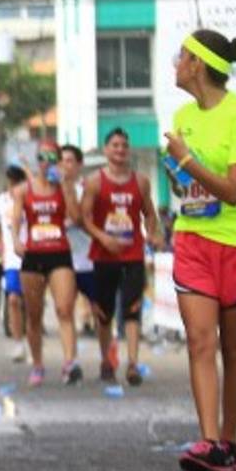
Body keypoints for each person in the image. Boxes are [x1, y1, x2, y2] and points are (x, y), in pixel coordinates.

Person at [164, 29, 236, 471]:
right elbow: (185, 185)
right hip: (193, 242)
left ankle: (229, 440)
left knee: (234, 347)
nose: (175, 63)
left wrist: (187, 160)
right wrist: (178, 173)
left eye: (181, 56)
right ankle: (209, 440)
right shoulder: (183, 114)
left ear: (199, 65)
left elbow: (233, 190)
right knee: (199, 340)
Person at [80, 128, 163, 386]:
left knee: (132, 309)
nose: (120, 150)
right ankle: (107, 360)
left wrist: (152, 231)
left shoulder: (141, 181)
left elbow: (149, 213)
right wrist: (103, 238)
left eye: (124, 145)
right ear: (106, 150)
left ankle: (133, 364)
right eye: (115, 145)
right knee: (104, 313)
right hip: (104, 256)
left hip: (132, 254)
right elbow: (84, 218)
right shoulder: (94, 182)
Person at [12, 141, 82, 387]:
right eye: (43, 157)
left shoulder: (64, 187)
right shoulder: (23, 189)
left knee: (64, 308)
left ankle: (70, 363)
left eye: (53, 157)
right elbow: (15, 219)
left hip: (59, 253)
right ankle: (38, 364)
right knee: (34, 315)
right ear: (37, 160)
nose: (47, 162)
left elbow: (75, 216)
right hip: (33, 255)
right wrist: (15, 241)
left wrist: (67, 186)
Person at [60, 145, 97, 337]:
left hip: (89, 257)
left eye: (69, 161)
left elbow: (76, 218)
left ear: (79, 164)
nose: (64, 165)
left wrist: (68, 191)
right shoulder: (53, 189)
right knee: (65, 309)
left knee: (99, 308)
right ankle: (70, 359)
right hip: (65, 258)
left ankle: (107, 353)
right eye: (61, 161)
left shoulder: (87, 188)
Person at [0, 165, 28, 362]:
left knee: (31, 304)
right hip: (12, 260)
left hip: (31, 256)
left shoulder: (30, 199)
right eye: (10, 181)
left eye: (17, 181)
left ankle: (33, 340)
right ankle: (18, 343)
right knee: (13, 300)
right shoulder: (0, 202)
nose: (13, 185)